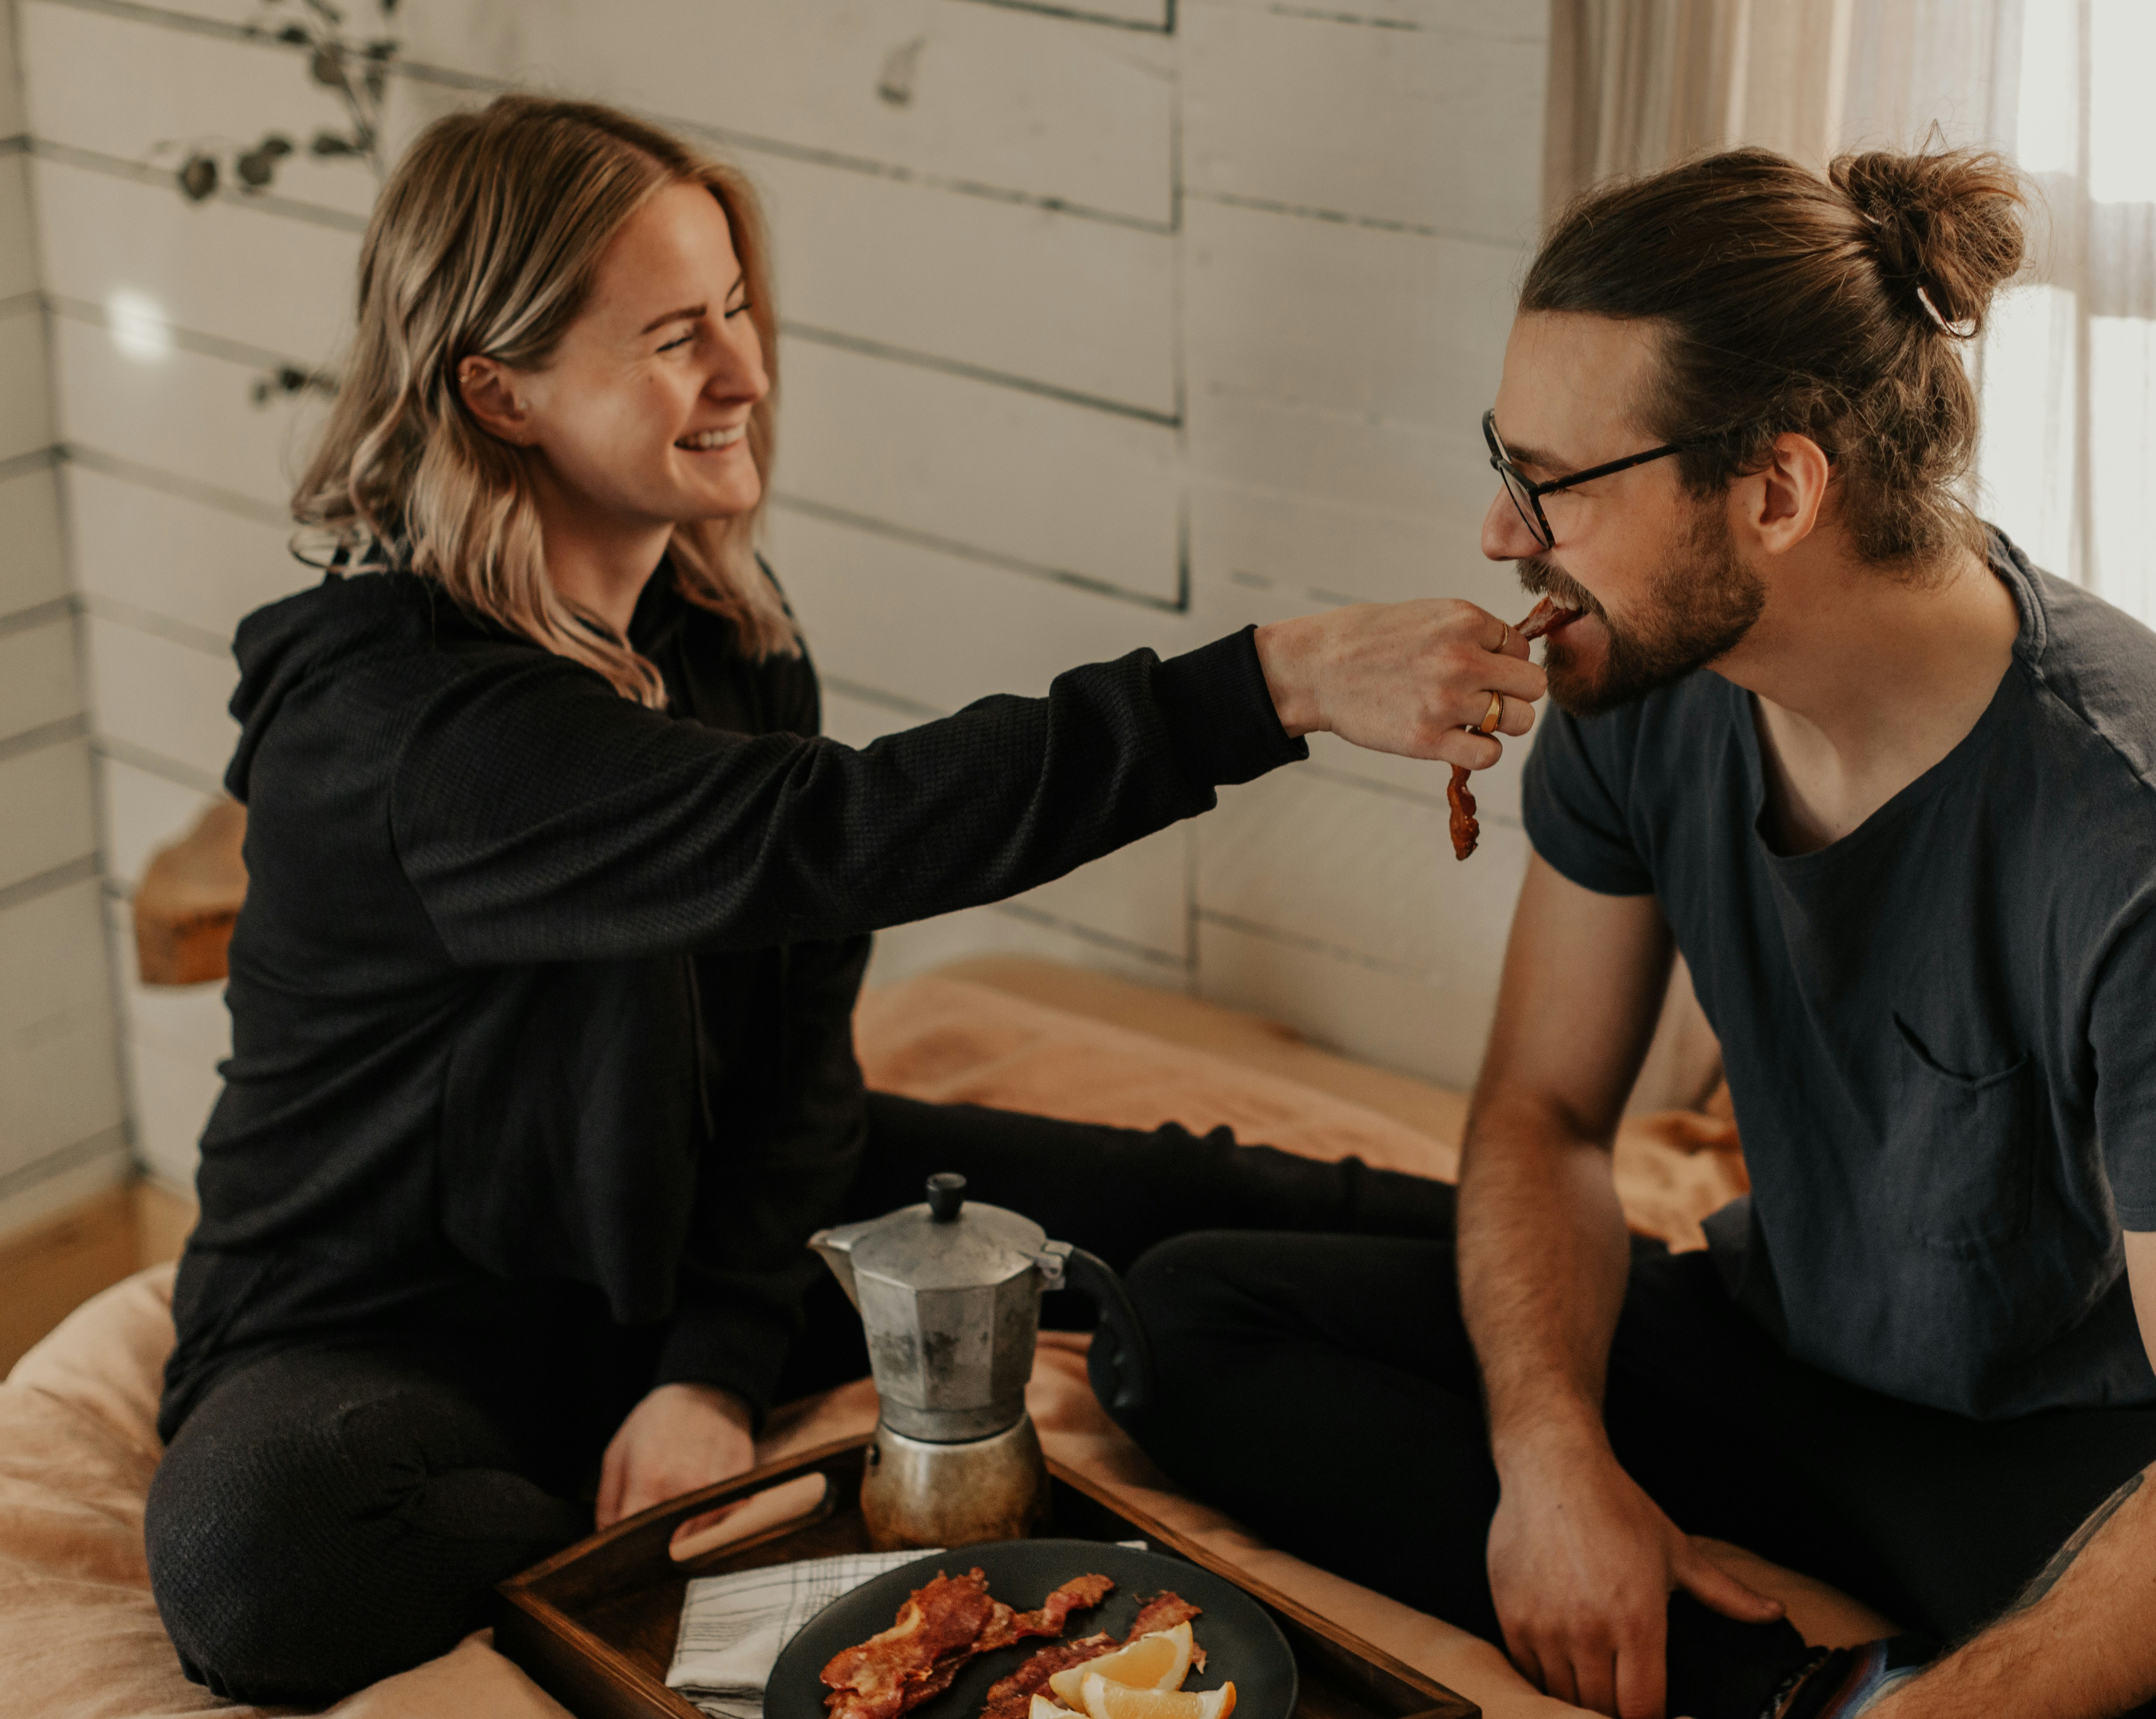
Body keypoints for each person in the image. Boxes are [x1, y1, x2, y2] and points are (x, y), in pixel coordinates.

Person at [141, 95, 1547, 1705]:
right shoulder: (404, 729)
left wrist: (707, 1370)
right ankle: (687, 1582)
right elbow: (845, 835)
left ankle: (1679, 1316)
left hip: (683, 1244)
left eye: (736, 307)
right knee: (263, 1553)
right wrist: (1271, 683)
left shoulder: (722, 641)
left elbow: (800, 1055)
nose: (743, 372)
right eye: (676, 336)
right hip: (393, 1340)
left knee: (1231, 1206)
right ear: (498, 390)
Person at [1106, 146, 2156, 1719]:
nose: (1496, 535)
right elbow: (1544, 1114)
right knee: (1191, 1320)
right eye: (1499, 460)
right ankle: (1780, 1678)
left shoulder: (2148, 843)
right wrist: (1555, 1465)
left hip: (2099, 1447)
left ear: (1777, 491)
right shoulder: (1643, 685)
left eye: (1551, 485)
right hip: (1790, 1354)